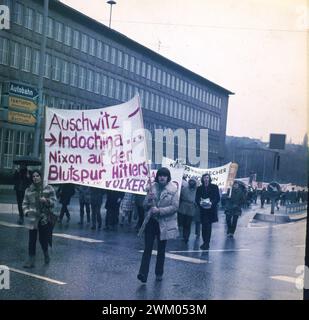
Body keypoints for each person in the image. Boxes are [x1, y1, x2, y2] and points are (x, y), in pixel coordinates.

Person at [137, 167, 179, 283]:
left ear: (167, 177)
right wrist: (149, 200)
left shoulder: (173, 189)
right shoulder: (152, 187)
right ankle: (143, 274)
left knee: (161, 250)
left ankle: (159, 272)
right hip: (151, 222)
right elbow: (145, 206)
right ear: (157, 176)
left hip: (164, 224)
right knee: (147, 248)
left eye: (164, 175)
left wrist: (159, 210)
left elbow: (175, 207)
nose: (162, 177)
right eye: (160, 175)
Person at [22, 170, 57, 268]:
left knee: (43, 239)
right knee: (31, 240)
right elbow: (24, 203)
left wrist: (46, 200)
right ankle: (31, 260)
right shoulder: (28, 190)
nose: (35, 178)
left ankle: (46, 254)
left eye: (37, 176)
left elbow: (54, 202)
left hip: (44, 219)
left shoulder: (48, 188)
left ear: (41, 177)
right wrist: (26, 212)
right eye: (33, 176)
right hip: (33, 219)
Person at [195, 173, 220, 250]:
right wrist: (200, 203)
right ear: (202, 179)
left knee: (208, 227)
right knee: (203, 227)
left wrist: (211, 203)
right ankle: (204, 242)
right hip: (202, 210)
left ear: (209, 179)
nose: (206, 179)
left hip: (211, 210)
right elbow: (197, 198)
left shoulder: (214, 187)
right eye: (204, 178)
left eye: (207, 178)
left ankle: (207, 243)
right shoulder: (199, 188)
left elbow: (217, 198)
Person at [178, 177, 198, 243]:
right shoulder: (184, 189)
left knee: (188, 224)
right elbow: (180, 197)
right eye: (191, 181)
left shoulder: (197, 190)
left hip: (191, 208)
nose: (191, 182)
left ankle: (186, 237)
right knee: (183, 223)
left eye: (193, 181)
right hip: (183, 207)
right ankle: (184, 236)